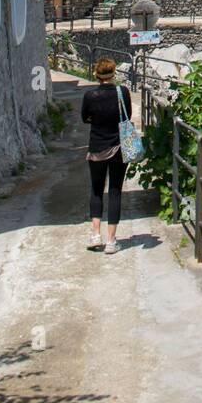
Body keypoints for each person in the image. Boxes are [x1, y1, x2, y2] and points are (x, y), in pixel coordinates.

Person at [81, 58, 133, 255]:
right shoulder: (123, 92)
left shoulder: (90, 95)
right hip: (119, 147)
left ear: (96, 74)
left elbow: (84, 118)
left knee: (96, 190)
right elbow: (126, 115)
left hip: (97, 147)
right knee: (115, 191)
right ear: (113, 73)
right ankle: (111, 241)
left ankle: (95, 235)